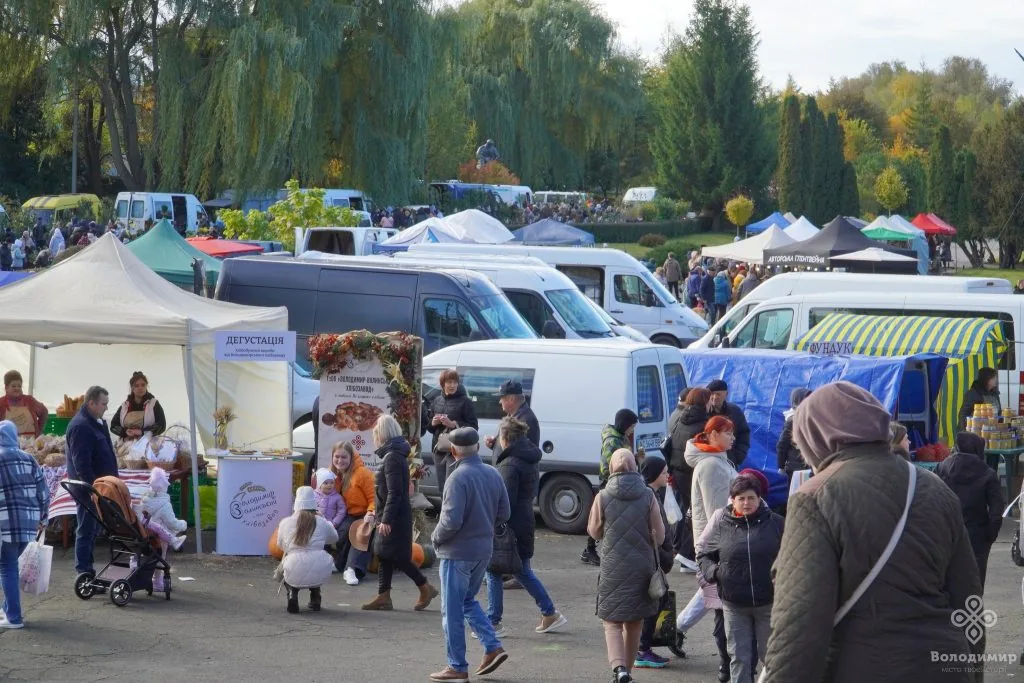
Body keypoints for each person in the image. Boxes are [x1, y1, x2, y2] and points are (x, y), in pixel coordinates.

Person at [763, 382, 984, 683]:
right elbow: (968, 598)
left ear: (813, 436)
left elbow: (799, 623)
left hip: (862, 667)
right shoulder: (935, 487)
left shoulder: (815, 497)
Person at [430, 427, 511, 682]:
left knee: (452, 610)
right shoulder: (492, 473)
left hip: (457, 552)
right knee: (467, 601)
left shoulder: (457, 477)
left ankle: (457, 666)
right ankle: (492, 646)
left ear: (453, 450)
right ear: (477, 447)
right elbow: (504, 513)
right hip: (483, 550)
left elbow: (450, 521)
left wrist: (435, 538)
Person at [484, 417, 567, 638]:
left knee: (493, 570)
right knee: (522, 571)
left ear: (505, 438)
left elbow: (504, 500)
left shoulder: (509, 464)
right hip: (524, 521)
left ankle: (493, 622)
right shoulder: (527, 456)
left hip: (509, 526)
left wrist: (492, 521)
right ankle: (550, 613)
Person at [698, 472, 783, 683]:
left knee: (771, 658)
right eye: (741, 498)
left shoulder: (776, 523)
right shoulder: (720, 522)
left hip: (769, 603)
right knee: (739, 658)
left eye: (751, 498)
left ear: (759, 498)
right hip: (734, 604)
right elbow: (703, 554)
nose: (746, 503)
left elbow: (793, 554)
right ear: (733, 499)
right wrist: (715, 573)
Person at [588, 449, 665, 683]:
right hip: (642, 565)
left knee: (611, 621)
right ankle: (628, 672)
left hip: (613, 566)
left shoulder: (602, 496)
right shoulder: (648, 495)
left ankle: (618, 669)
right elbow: (659, 536)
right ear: (634, 466)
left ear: (611, 468)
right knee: (634, 622)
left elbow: (594, 531)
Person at [677, 415, 737, 678]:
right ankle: (728, 662)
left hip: (717, 541)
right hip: (717, 543)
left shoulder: (716, 459)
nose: (733, 438)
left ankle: (674, 630)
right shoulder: (711, 465)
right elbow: (717, 512)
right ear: (712, 435)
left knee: (711, 593)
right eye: (728, 433)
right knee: (717, 599)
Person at [362, 414, 439, 612]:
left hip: (393, 516)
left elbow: (395, 492)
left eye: (376, 433)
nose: (374, 436)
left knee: (398, 556)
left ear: (382, 434)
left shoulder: (392, 458)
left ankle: (425, 587)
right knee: (385, 555)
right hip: (391, 514)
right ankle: (384, 596)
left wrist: (386, 519)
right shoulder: (394, 455)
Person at [0, 420, 49, 629]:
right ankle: (7, 609)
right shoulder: (29, 459)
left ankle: (14, 618)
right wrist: (43, 519)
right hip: (29, 522)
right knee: (12, 566)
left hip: (5, 522)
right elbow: (44, 492)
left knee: (7, 566)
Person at [937, 432, 1002, 588]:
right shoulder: (988, 473)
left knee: (947, 578)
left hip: (947, 531)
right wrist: (989, 535)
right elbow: (996, 510)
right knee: (975, 581)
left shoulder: (943, 467)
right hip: (977, 534)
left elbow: (931, 498)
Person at [65, 386, 118, 575]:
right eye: (103, 404)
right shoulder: (81, 427)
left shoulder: (96, 423)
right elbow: (82, 465)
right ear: (91, 403)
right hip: (90, 491)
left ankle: (88, 570)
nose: (106, 407)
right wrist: (94, 490)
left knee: (92, 530)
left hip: (100, 488)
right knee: (86, 530)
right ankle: (84, 572)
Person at [581, 408, 638, 566]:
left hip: (618, 481)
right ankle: (590, 549)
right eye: (631, 426)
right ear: (624, 424)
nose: (632, 430)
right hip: (610, 483)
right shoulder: (613, 440)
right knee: (601, 517)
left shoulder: (621, 437)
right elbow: (607, 467)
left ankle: (595, 549)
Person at [634, 455, 675, 669]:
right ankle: (642, 648)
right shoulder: (649, 495)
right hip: (652, 557)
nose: (667, 475)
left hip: (654, 555)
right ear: (654, 474)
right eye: (664, 472)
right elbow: (656, 531)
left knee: (658, 597)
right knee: (656, 598)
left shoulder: (651, 493)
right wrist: (666, 551)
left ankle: (641, 646)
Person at [276, 486, 338, 613]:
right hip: (320, 566)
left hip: (294, 564)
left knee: (287, 566)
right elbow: (334, 538)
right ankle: (316, 597)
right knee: (314, 564)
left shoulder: (285, 522)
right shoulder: (321, 521)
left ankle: (292, 594)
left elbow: (281, 545)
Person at [666, 388, 711, 565]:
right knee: (698, 514)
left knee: (689, 513)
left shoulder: (680, 419)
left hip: (678, 473)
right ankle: (688, 555)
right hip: (693, 473)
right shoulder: (702, 424)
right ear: (704, 403)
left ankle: (686, 554)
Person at [323, 441, 375, 584]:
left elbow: (374, 498)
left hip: (365, 514)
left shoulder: (363, 474)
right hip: (347, 514)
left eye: (344, 457)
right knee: (342, 533)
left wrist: (371, 513)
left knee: (360, 532)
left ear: (352, 457)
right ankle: (339, 564)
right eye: (337, 457)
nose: (340, 460)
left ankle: (352, 569)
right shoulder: (332, 474)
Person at [425, 369, 479, 495]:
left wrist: (454, 424)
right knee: (442, 487)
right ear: (442, 384)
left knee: (452, 486)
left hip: (456, 451)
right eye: (449, 382)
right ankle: (444, 512)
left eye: (455, 382)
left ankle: (452, 513)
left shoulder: (466, 402)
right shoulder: (436, 401)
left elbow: (474, 427)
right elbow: (429, 428)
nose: (452, 385)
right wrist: (433, 424)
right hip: (438, 449)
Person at [109, 371, 167, 441]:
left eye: (143, 385)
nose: (140, 388)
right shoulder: (124, 406)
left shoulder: (153, 404)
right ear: (132, 388)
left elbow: (161, 424)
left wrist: (142, 432)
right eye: (136, 386)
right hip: (127, 444)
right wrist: (125, 432)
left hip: (149, 444)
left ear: (146, 386)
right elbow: (113, 426)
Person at [485, 379, 540, 450]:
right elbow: (509, 445)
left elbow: (524, 453)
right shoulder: (513, 415)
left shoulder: (526, 420)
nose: (500, 402)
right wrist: (494, 444)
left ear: (511, 399)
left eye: (502, 398)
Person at [707, 380, 750, 468]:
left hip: (730, 461)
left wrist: (739, 455)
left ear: (726, 394)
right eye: (712, 394)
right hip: (709, 461)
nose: (714, 397)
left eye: (718, 394)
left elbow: (744, 433)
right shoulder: (704, 412)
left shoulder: (735, 411)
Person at [776, 387, 812, 482]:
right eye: (806, 400)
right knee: (798, 492)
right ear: (798, 401)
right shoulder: (793, 420)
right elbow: (782, 444)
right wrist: (781, 465)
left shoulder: (810, 418)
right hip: (797, 467)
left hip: (809, 464)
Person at [0, 370, 48, 437]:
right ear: (6, 388)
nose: (17, 388)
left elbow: (44, 411)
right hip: (8, 445)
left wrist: (39, 430)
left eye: (19, 386)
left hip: (31, 445)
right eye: (13, 386)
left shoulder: (30, 400)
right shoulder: (1, 403)